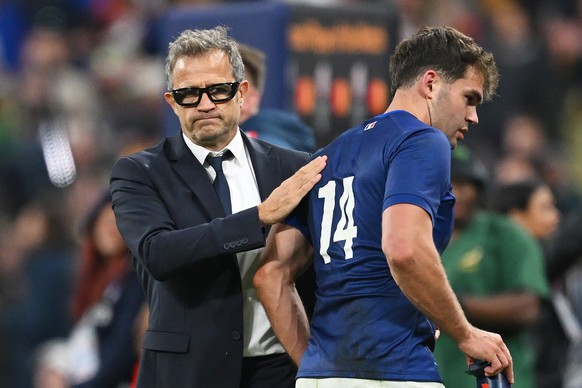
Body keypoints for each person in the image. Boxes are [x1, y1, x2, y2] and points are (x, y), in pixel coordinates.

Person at [254, 25, 513, 387]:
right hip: (394, 371)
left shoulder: (329, 155)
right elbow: (405, 250)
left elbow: (270, 274)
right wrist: (466, 333)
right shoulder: (423, 140)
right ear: (431, 83)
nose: (473, 117)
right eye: (469, 98)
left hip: (320, 377)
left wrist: (316, 364)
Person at [109, 26, 327, 388]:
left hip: (282, 370)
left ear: (242, 92)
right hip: (188, 374)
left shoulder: (292, 169)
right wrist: (258, 218)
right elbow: (158, 253)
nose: (205, 104)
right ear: (171, 101)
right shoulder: (139, 172)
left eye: (218, 90)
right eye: (189, 94)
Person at [433, 148, 551, 388]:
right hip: (439, 377)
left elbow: (527, 307)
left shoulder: (505, 234)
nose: (461, 192)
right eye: (453, 182)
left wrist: (450, 305)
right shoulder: (419, 238)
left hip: (496, 380)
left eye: (469, 183)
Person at [33, 192, 145, 388]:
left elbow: (119, 357)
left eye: (116, 223)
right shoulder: (89, 281)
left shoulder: (134, 280)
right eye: (105, 223)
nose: (110, 229)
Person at [238, 43, 316, 153]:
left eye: (220, 90)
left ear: (248, 98)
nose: (206, 103)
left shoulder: (254, 151)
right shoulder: (283, 140)